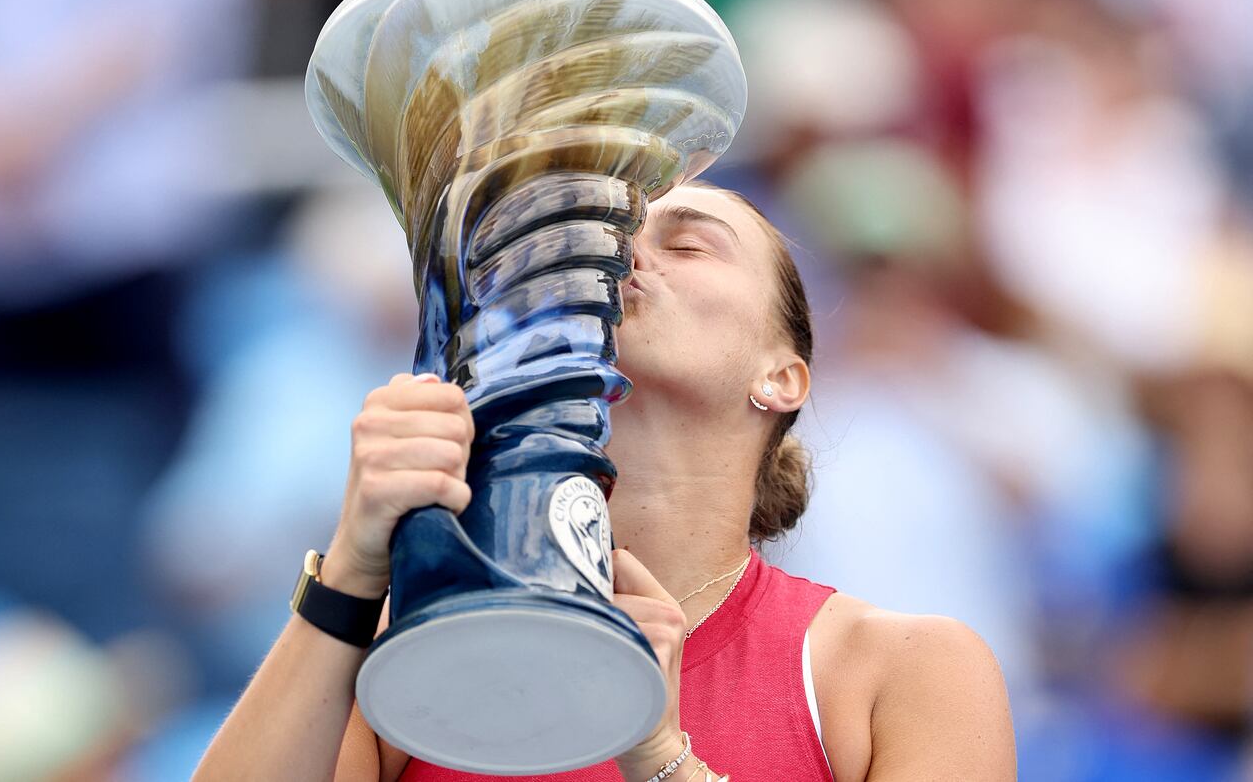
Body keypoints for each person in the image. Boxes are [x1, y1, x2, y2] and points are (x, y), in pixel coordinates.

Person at [192, 183, 1016, 781]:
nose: (617, 253)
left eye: (688, 243)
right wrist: (351, 571)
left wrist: (661, 759)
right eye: (605, 237)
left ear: (783, 375)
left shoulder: (905, 668)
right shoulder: (414, 651)